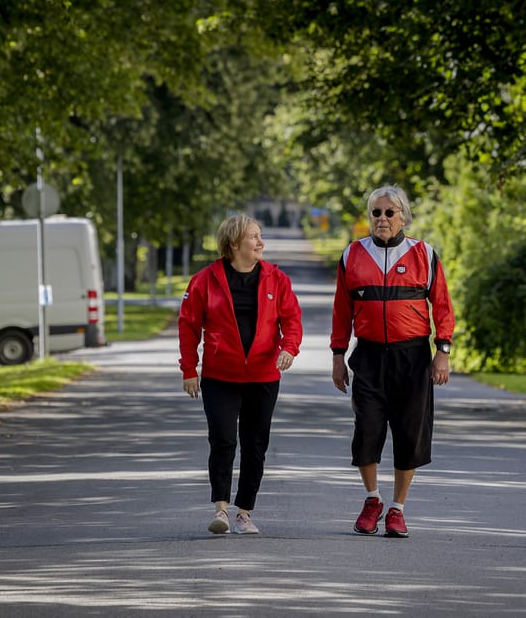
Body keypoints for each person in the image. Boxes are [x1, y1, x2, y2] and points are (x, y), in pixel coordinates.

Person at [331, 185, 455, 538]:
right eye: (375, 212)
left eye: (389, 212)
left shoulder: (424, 254)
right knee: (367, 429)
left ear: (403, 216)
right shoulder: (352, 255)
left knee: (409, 434)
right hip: (368, 356)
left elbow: (443, 306)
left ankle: (398, 509)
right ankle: (373, 500)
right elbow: (342, 311)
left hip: (412, 358)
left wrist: (442, 352)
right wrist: (338, 356)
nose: (382, 219)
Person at [179, 213, 303, 536]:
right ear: (234, 244)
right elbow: (189, 325)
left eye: (260, 236)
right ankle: (220, 510)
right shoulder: (205, 280)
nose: (261, 242)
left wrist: (289, 348)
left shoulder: (276, 279)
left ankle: (244, 512)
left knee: (255, 445)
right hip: (220, 376)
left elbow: (291, 319)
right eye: (254, 237)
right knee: (222, 440)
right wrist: (189, 369)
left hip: (263, 376)